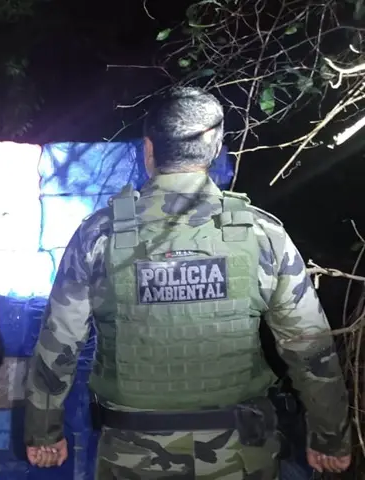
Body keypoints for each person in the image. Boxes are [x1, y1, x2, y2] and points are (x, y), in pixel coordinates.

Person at [23, 87, 351, 478]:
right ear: (216, 150)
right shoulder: (261, 234)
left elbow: (59, 343)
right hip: (240, 457)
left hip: (132, 458)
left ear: (148, 149)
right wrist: (330, 437)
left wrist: (44, 432)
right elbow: (310, 347)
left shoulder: (100, 235)